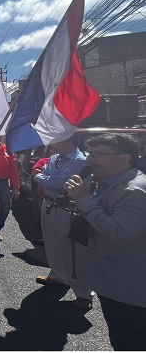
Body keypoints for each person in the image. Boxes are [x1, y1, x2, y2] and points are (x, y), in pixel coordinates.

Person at [65, 133, 146, 350]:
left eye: (98, 154)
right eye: (90, 153)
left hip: (129, 290)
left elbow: (120, 233)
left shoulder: (134, 190)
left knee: (130, 342)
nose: (91, 159)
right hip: (114, 283)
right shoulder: (110, 182)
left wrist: (83, 200)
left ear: (124, 158)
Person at [33, 137, 93, 310]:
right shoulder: (54, 158)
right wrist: (46, 178)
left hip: (68, 208)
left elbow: (60, 183)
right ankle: (59, 276)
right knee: (52, 243)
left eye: (55, 140)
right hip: (49, 203)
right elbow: (51, 179)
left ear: (69, 141)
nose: (51, 143)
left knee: (73, 251)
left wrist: (40, 177)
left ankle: (84, 293)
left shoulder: (80, 161)